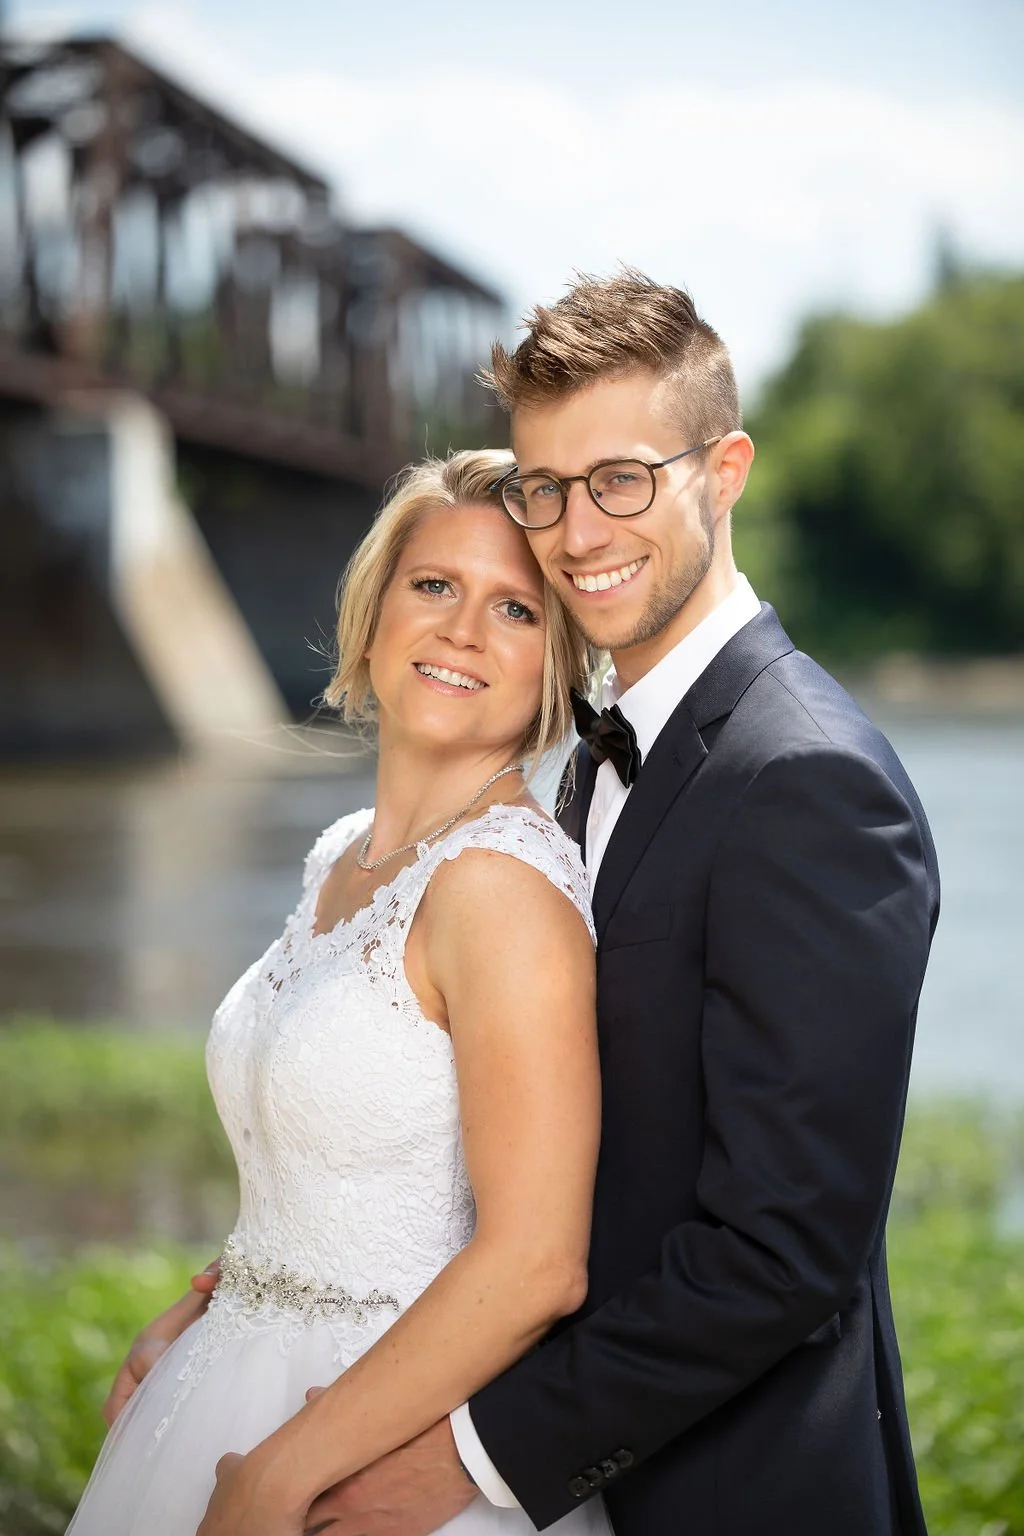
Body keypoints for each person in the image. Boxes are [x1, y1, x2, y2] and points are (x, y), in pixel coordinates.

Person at [100, 270, 939, 1536]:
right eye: (547, 487)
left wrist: (470, 1464)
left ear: (723, 472)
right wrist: (233, 1312)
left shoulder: (806, 778)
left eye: (622, 478)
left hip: (720, 1492)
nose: (577, 529)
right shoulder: (581, 775)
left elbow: (780, 1252)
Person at [66, 449, 612, 1536]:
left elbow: (538, 1260)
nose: (461, 630)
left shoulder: (498, 890)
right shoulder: (342, 855)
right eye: (433, 586)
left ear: (554, 665)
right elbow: (336, 1157)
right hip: (224, 1381)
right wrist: (199, 1310)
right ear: (373, 616)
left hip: (368, 1445)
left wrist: (277, 1478)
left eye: (513, 607)